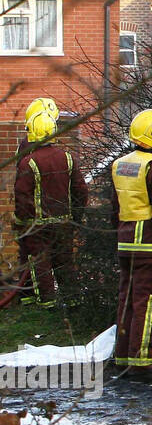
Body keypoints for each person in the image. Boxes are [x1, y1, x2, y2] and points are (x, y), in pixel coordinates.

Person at [111, 109, 152, 380]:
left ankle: (123, 357)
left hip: (126, 243)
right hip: (150, 246)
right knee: (148, 302)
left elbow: (115, 207)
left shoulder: (119, 164)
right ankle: (141, 362)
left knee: (127, 301)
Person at [12, 98, 87, 307]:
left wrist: (22, 220)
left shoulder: (29, 160)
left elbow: (22, 195)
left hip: (38, 223)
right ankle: (73, 301)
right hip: (64, 221)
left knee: (39, 262)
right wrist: (76, 216)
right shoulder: (68, 157)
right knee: (65, 261)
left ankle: (47, 304)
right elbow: (81, 190)